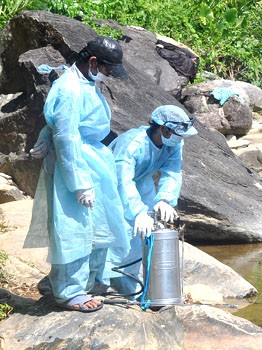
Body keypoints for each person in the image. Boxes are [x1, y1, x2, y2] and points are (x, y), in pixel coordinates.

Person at [27, 36, 131, 312]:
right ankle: (68, 290)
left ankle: (93, 280)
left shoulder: (85, 82)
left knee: (99, 222)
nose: (108, 76)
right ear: (93, 62)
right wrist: (79, 183)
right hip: (74, 164)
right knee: (73, 227)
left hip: (94, 159)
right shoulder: (69, 88)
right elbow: (66, 135)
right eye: (107, 69)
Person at [104, 105, 197, 296]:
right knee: (114, 233)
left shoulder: (173, 143)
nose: (180, 139)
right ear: (163, 129)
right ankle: (102, 281)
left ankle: (129, 287)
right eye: (178, 133)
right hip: (110, 186)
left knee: (141, 236)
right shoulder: (133, 143)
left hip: (141, 183)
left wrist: (165, 199)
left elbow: (172, 171)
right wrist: (137, 211)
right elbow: (122, 179)